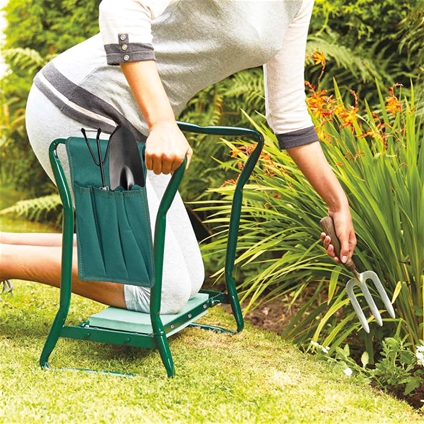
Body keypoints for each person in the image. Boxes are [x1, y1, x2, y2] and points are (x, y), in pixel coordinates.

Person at [0, 0, 356, 313]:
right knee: (161, 291)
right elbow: (119, 9)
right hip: (83, 108)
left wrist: (337, 204)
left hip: (137, 132)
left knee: (189, 278)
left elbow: (288, 114)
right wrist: (163, 122)